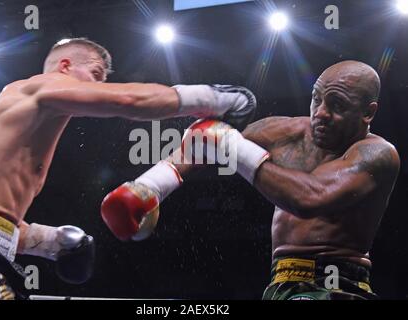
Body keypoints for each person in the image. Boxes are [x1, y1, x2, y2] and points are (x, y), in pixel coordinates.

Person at [0, 37, 257, 300]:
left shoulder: (26, 129)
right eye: (95, 74)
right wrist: (214, 98)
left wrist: (51, 242)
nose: (99, 87)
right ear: (64, 66)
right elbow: (128, 100)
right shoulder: (39, 86)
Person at [102, 60, 400, 300]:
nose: (320, 113)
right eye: (317, 99)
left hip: (337, 284)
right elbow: (204, 143)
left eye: (337, 104)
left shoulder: (377, 154)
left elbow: (310, 199)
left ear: (367, 112)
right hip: (278, 283)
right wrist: (149, 188)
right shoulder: (286, 132)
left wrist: (229, 144)